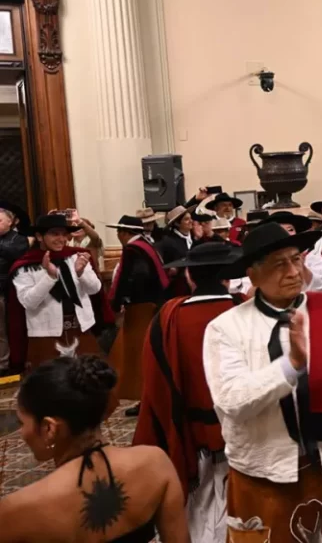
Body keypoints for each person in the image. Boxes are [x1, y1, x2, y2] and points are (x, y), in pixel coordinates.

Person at [204, 223, 322, 541]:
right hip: (263, 475)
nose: (293, 272)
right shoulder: (226, 327)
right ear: (253, 275)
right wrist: (289, 368)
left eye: (296, 260)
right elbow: (231, 401)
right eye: (279, 264)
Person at [0, 355, 188, 541]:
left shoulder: (17, 509)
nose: (21, 432)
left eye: (21, 423)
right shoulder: (156, 463)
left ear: (49, 428)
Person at [132, 241, 243, 542]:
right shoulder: (245, 310)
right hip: (245, 429)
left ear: (189, 276)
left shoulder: (169, 317)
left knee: (199, 509)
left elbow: (155, 380)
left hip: (190, 432)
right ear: (228, 277)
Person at [6, 214, 111, 374]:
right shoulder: (25, 266)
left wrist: (81, 273)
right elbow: (28, 302)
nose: (61, 239)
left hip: (81, 330)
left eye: (64, 234)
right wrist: (49, 277)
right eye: (55, 234)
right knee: (51, 382)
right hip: (46, 335)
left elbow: (95, 289)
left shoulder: (76, 256)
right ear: (39, 236)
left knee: (88, 380)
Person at [107, 215, 170, 412]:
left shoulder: (133, 250)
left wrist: (119, 301)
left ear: (124, 233)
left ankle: (146, 398)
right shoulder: (147, 245)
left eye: (119, 232)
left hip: (141, 308)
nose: (118, 236)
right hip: (155, 304)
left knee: (138, 355)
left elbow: (130, 277)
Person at [0, 204, 29, 373]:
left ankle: (3, 364)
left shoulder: (18, 239)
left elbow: (15, 254)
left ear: (10, 222)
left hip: (6, 292)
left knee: (1, 331)